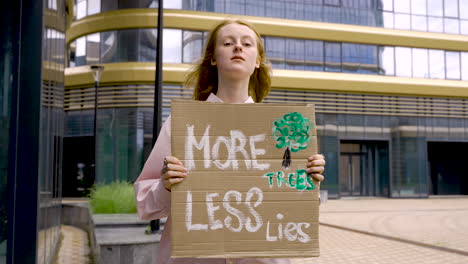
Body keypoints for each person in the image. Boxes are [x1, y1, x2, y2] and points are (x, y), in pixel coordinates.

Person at [134, 19, 326, 264]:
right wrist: (165, 186)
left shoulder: (281, 131)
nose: (238, 47)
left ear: (257, 61)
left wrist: (308, 180)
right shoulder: (183, 124)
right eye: (228, 43)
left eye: (247, 44)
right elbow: (144, 204)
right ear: (213, 58)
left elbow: (292, 210)